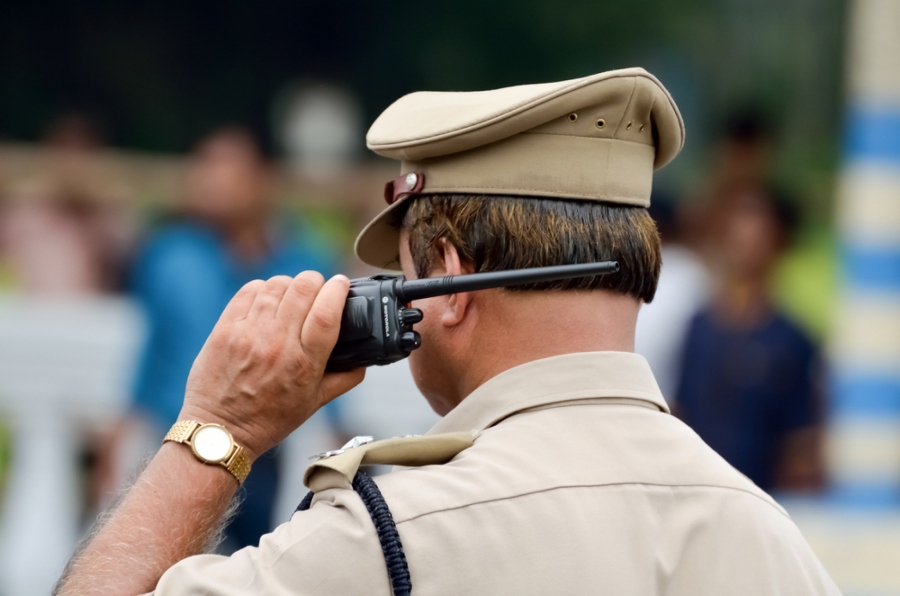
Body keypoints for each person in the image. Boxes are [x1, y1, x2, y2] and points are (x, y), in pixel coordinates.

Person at [55, 68, 839, 595]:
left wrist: (216, 432)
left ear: (450, 280)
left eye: (403, 273)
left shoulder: (387, 538)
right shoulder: (773, 543)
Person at [121, 127, 336, 550]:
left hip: (272, 445)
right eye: (206, 166)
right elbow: (149, 352)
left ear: (263, 178)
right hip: (174, 438)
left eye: (228, 166)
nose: (214, 179)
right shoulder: (168, 256)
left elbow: (328, 356)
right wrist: (124, 423)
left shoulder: (306, 260)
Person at [676, 184, 825, 492]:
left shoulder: (793, 341)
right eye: (733, 228)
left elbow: (801, 446)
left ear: (780, 242)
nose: (742, 240)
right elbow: (681, 414)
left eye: (756, 228)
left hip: (763, 504)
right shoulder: (698, 328)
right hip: (695, 497)